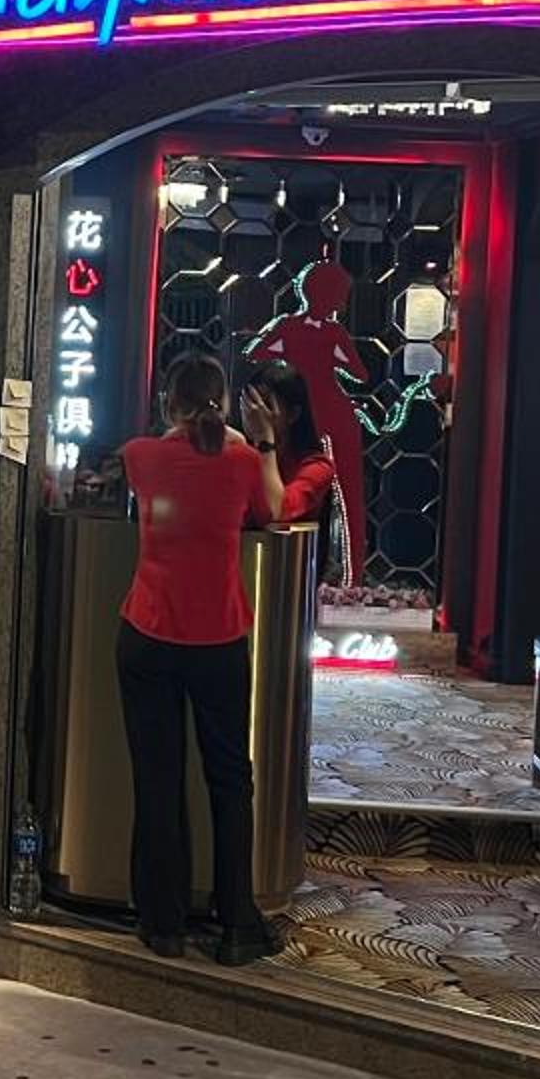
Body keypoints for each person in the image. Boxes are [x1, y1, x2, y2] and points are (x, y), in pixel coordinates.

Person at [115, 354, 285, 966]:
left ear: (168, 403)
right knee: (230, 779)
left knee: (157, 778)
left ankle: (163, 925)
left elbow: (164, 454)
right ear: (225, 403)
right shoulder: (241, 462)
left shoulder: (141, 456)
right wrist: (261, 440)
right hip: (219, 639)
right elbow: (274, 509)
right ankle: (237, 923)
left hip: (149, 633)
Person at [244, 359, 339, 536]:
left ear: (293, 414)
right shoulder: (237, 453)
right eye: (250, 403)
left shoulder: (317, 467)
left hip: (286, 552)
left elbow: (277, 512)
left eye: (266, 404)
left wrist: (265, 440)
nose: (254, 413)